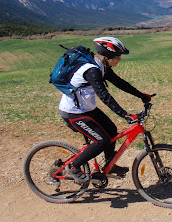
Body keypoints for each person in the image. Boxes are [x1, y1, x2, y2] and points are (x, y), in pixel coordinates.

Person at [59, 36, 152, 183]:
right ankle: (73, 167)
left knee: (111, 129)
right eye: (117, 56)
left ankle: (110, 163)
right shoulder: (92, 70)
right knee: (102, 141)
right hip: (73, 113)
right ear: (108, 56)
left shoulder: (102, 67)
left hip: (87, 109)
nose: (119, 60)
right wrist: (125, 115)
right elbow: (104, 96)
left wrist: (142, 95)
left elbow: (120, 83)